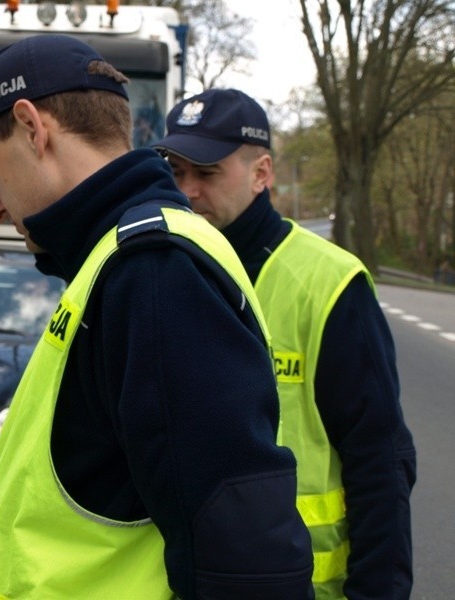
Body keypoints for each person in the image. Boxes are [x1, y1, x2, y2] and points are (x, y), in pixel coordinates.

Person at [0, 36, 313, 599]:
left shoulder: (153, 274)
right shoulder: (117, 264)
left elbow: (245, 563)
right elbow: (94, 512)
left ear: (31, 126)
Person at [153, 88, 417, 599]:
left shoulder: (329, 284)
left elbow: (380, 463)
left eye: (205, 174)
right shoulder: (164, 269)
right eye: (176, 172)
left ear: (262, 173)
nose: (186, 191)